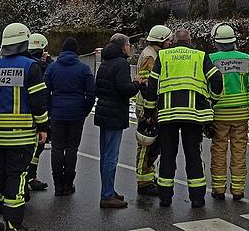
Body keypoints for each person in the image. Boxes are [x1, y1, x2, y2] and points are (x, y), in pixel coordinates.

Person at [0, 23, 49, 231]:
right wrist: (43, 126)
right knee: (16, 179)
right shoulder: (31, 67)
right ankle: (13, 224)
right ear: (24, 41)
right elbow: (38, 101)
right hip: (21, 137)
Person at [142, 28, 223, 208]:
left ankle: (165, 198)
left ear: (173, 40)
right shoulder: (200, 56)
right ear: (190, 39)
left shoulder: (163, 56)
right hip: (193, 116)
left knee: (168, 156)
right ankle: (197, 198)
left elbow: (152, 84)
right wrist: (211, 100)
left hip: (167, 116)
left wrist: (149, 111)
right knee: (194, 156)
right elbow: (217, 78)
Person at [208, 23, 249, 201]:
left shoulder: (211, 59)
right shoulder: (245, 58)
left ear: (217, 42)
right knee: (239, 152)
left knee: (219, 151)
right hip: (241, 114)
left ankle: (219, 189)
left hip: (219, 113)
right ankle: (238, 190)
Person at [94, 34, 143, 209]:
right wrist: (137, 83)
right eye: (129, 45)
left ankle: (107, 189)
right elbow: (125, 89)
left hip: (103, 112)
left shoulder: (105, 62)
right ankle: (107, 195)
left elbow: (98, 86)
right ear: (122, 47)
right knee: (111, 157)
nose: (130, 47)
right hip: (115, 113)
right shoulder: (121, 64)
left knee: (105, 154)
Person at [44, 37, 95, 196]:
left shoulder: (52, 68)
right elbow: (92, 93)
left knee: (57, 148)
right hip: (76, 113)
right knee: (72, 148)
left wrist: (50, 109)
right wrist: (84, 110)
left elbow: (45, 91)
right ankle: (68, 183)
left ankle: (58, 185)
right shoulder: (84, 69)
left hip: (57, 113)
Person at [134, 25, 171, 196]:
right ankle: (144, 181)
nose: (170, 43)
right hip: (148, 106)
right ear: (161, 40)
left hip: (149, 105)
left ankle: (148, 176)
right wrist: (150, 112)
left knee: (152, 145)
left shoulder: (152, 53)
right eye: (168, 40)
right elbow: (149, 85)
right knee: (146, 145)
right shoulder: (151, 56)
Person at [24, 32, 51, 192]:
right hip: (36, 115)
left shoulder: (26, 63)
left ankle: (31, 176)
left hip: (25, 115)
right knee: (35, 147)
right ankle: (27, 178)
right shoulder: (37, 67)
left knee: (36, 149)